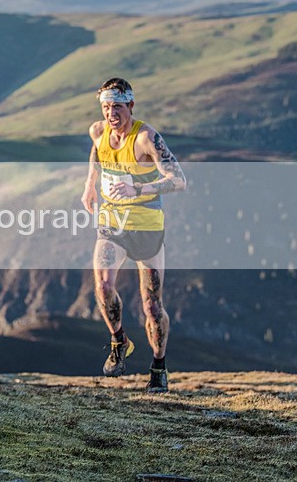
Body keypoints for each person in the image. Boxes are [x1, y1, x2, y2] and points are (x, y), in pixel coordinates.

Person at [81, 78, 186, 393]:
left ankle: (158, 364)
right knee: (102, 285)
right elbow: (96, 154)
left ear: (131, 106)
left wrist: (138, 187)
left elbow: (178, 179)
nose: (112, 113)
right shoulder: (98, 131)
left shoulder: (146, 138)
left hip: (146, 225)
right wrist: (89, 184)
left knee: (151, 304)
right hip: (112, 222)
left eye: (117, 107)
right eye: (106, 107)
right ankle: (119, 340)